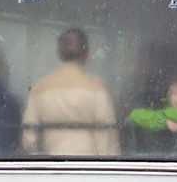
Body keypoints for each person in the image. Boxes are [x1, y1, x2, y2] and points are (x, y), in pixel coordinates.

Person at [22, 28, 119, 156]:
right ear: (87, 54)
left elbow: (29, 140)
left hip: (52, 168)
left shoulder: (40, 88)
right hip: (89, 169)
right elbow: (107, 139)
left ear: (58, 53)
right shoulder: (97, 88)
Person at [126, 78, 177, 157]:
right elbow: (134, 115)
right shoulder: (165, 114)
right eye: (175, 94)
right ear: (168, 96)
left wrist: (159, 116)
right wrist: (165, 122)